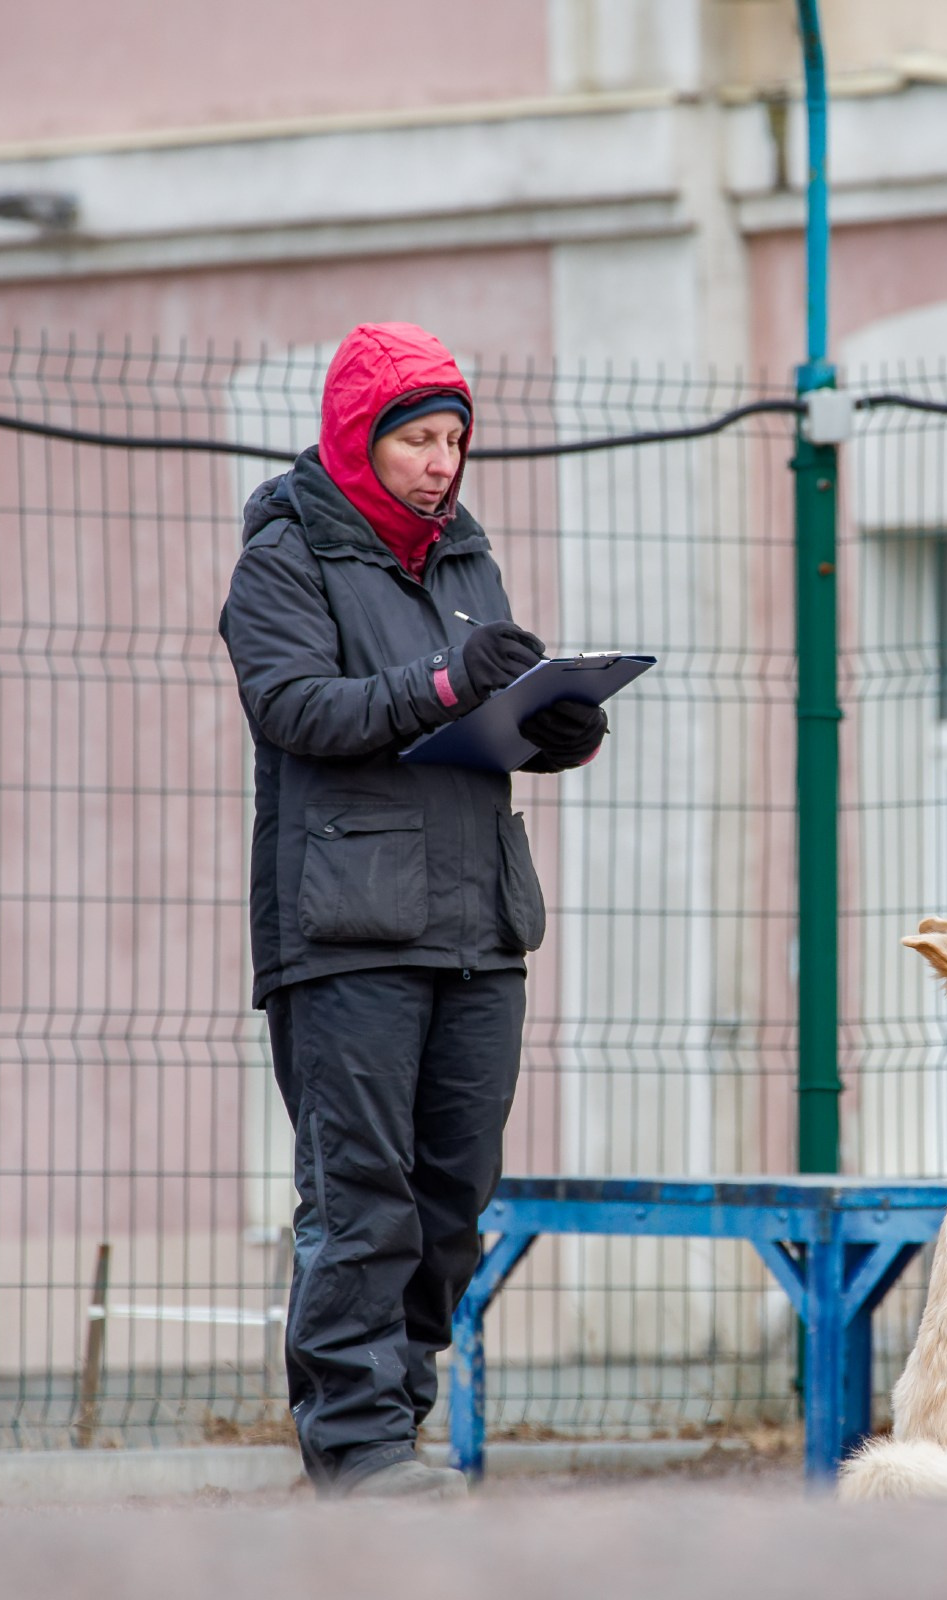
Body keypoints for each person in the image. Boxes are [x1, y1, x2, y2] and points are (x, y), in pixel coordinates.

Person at [219, 322, 607, 1499]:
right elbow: (297, 708)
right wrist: (448, 680)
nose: (442, 463)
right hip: (344, 932)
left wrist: (552, 727)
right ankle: (355, 1440)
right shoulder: (283, 556)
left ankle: (400, 1419)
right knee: (361, 1188)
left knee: (453, 1189)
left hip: (478, 925)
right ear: (359, 437)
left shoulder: (463, 558)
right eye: (418, 440)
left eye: (454, 440)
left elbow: (465, 721)